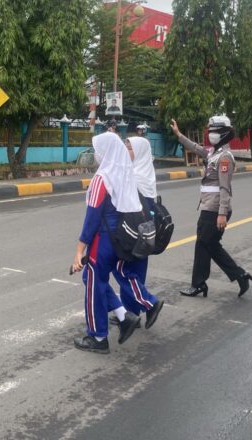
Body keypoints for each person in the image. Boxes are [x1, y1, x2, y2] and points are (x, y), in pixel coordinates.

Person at [71, 132, 141, 354]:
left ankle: (98, 337)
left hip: (101, 240)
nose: (95, 154)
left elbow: (92, 218)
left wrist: (79, 250)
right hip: (118, 240)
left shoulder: (102, 179)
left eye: (97, 150)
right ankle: (123, 316)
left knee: (93, 286)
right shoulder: (123, 175)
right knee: (93, 279)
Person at [170, 116, 252, 298]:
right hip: (209, 207)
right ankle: (239, 275)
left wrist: (222, 214)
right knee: (210, 245)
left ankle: (199, 284)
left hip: (215, 209)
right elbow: (197, 148)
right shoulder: (214, 153)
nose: (211, 135)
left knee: (204, 244)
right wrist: (179, 135)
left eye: (214, 132)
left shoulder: (225, 158)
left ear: (223, 134)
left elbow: (225, 188)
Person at [109, 136, 164, 329]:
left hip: (133, 232)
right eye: (124, 147)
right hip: (145, 232)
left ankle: (150, 303)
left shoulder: (135, 176)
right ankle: (131, 313)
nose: (126, 151)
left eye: (129, 148)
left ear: (139, 151)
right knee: (136, 273)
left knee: (121, 269)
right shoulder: (145, 172)